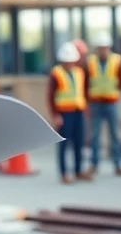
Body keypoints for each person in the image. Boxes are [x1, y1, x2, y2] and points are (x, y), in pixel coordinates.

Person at [83, 31, 121, 177]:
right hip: (95, 103)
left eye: (105, 47)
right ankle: (94, 164)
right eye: (100, 48)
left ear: (109, 47)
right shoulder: (91, 62)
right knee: (95, 136)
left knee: (115, 134)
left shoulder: (116, 61)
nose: (102, 50)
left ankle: (118, 164)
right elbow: (85, 83)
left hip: (111, 102)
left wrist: (115, 94)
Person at [49, 42, 91, 184]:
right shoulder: (56, 73)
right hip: (64, 113)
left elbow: (83, 91)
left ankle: (78, 170)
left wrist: (86, 108)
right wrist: (56, 115)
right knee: (63, 144)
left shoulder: (79, 72)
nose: (69, 63)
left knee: (79, 142)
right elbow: (51, 96)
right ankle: (64, 173)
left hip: (78, 111)